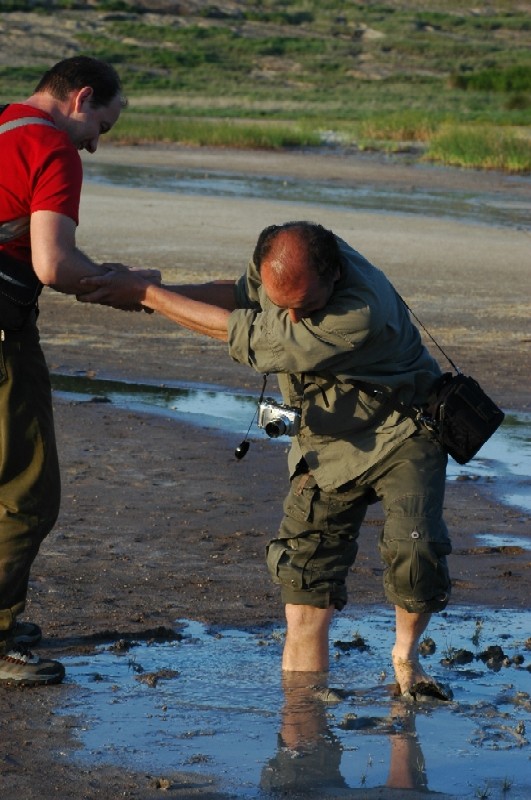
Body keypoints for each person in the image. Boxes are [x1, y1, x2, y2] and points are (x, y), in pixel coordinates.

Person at [79, 220, 452, 700]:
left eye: (307, 307)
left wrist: (147, 292)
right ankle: (300, 723)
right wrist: (153, 290)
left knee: (414, 551)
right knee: (305, 579)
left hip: (403, 427)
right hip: (327, 438)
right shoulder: (288, 264)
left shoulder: (358, 312)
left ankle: (406, 656)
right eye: (283, 306)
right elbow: (239, 296)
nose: (292, 318)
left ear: (334, 275)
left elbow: (245, 334)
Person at [0, 56, 151, 687]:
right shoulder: (52, 149)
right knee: (28, 490)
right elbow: (53, 265)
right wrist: (126, 283)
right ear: (81, 98)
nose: (94, 145)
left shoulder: (5, 123)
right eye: (102, 128)